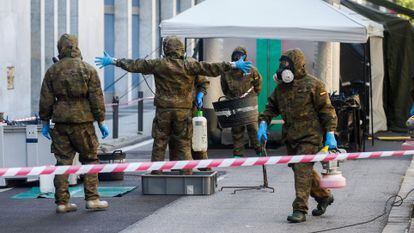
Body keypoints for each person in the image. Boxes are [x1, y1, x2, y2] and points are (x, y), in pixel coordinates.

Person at [95, 36, 252, 175]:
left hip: (163, 111)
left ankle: (156, 170)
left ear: (166, 50)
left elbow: (135, 64)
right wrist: (233, 65)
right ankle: (187, 171)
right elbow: (211, 67)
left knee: (160, 141)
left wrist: (114, 61)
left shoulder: (159, 64)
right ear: (181, 50)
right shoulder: (189, 65)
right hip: (183, 111)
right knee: (184, 142)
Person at [257, 48, 338, 223]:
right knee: (301, 170)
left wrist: (330, 133)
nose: (282, 68)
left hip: (311, 136)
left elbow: (327, 110)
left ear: (297, 65)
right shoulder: (281, 89)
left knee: (302, 169)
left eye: (285, 64)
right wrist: (263, 122)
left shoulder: (315, 85)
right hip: (292, 138)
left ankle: (299, 209)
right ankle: (324, 196)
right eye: (281, 64)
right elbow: (271, 107)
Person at [39, 34, 110, 213]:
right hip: (83, 122)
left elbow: (46, 99)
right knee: (90, 160)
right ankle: (92, 199)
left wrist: (45, 121)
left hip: (61, 122)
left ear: (60, 48)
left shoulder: (52, 71)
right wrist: (101, 121)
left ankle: (62, 202)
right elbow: (96, 98)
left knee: (62, 162)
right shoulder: (88, 69)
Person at [221, 46, 262, 158]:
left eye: (240, 55)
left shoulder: (251, 70)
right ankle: (238, 154)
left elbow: (258, 84)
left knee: (253, 127)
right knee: (237, 129)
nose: (237, 57)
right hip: (235, 103)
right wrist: (232, 99)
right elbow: (225, 88)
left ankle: (259, 150)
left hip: (249, 102)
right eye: (235, 55)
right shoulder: (227, 72)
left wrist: (253, 97)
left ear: (245, 57)